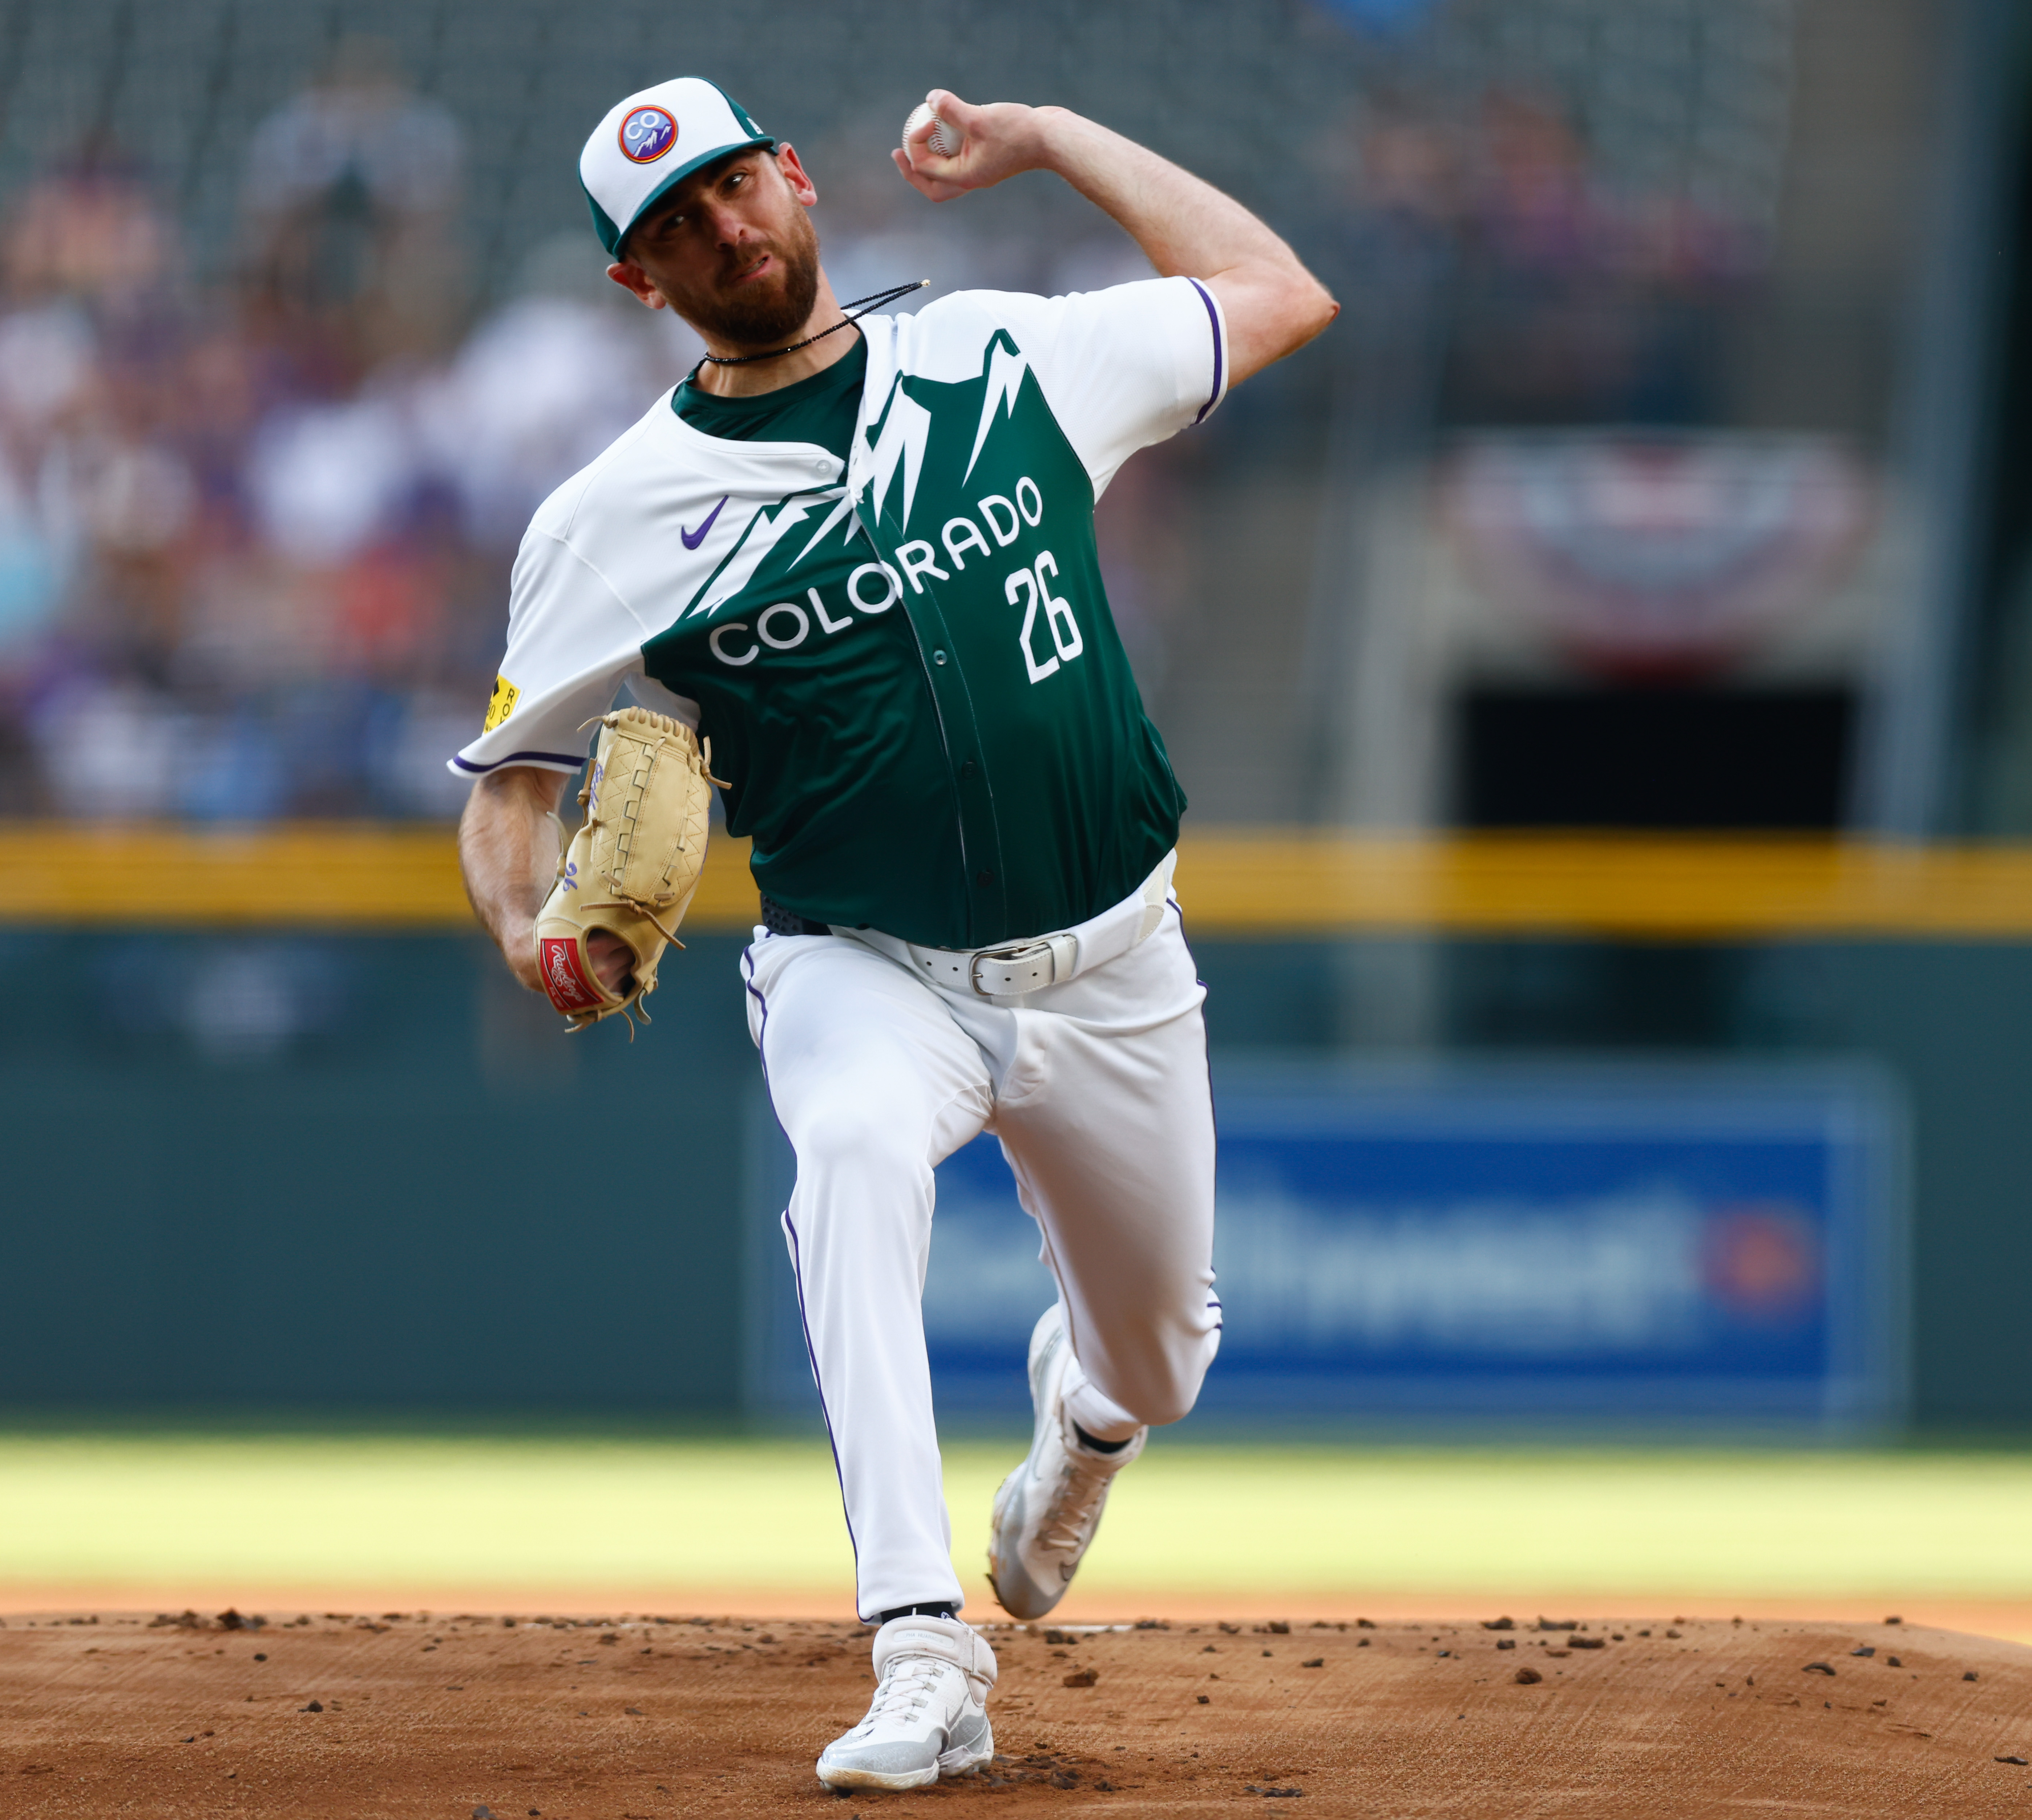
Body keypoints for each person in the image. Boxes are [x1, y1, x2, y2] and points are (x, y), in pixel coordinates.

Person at [449, 77, 1334, 1792]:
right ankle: (924, 1649)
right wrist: (533, 928)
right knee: (850, 1152)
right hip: (866, 963)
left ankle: (1084, 1430)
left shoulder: (1004, 358)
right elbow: (510, 787)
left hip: (1117, 958)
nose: (720, 232)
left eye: (730, 190)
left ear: (792, 179)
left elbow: (1278, 291)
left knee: (1163, 1348)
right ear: (643, 286)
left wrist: (1056, 137)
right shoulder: (608, 520)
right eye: (672, 230)